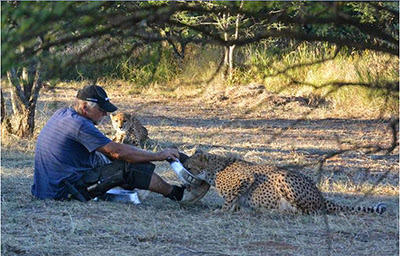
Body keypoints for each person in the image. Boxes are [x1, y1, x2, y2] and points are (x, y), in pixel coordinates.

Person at [32, 84, 187, 202]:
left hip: (47, 188)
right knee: (127, 167)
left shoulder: (63, 114)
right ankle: (178, 194)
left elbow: (111, 151)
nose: (105, 114)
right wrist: (158, 155)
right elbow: (117, 152)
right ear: (84, 107)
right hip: (64, 191)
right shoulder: (80, 125)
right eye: (101, 109)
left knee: (115, 158)